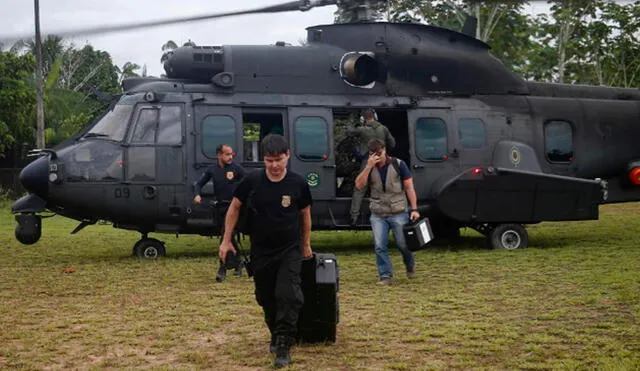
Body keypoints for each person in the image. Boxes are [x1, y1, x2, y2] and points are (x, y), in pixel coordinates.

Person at [219, 134, 313, 368]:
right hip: (261, 250)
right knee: (266, 297)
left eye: (278, 160)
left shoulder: (297, 183)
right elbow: (234, 209)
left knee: (289, 294)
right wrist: (226, 240)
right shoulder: (252, 181)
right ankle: (275, 332)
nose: (274, 165)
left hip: (289, 248)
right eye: (269, 160)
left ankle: (284, 342)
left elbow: (305, 215)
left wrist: (306, 243)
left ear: (287, 156)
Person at [354, 138, 420, 285]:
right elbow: (359, 185)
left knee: (403, 244)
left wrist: (414, 209)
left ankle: (409, 264)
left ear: (385, 150)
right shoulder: (369, 166)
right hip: (378, 213)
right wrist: (368, 167)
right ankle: (385, 275)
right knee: (379, 246)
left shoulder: (399, 164)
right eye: (374, 154)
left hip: (398, 211)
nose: (378, 156)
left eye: (380, 153)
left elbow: (409, 187)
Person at [193, 143, 245, 282]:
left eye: (231, 154)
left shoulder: (236, 169)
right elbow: (199, 184)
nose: (230, 157)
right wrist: (198, 195)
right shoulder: (212, 170)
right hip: (220, 208)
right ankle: (239, 262)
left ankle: (222, 268)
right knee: (229, 237)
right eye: (227, 154)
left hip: (233, 209)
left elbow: (247, 182)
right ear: (219, 155)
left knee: (225, 236)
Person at [348, 108, 396, 225]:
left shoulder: (362, 129)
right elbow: (392, 143)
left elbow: (349, 131)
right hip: (382, 160)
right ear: (375, 116)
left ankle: (354, 216)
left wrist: (351, 116)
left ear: (363, 118)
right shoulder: (383, 129)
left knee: (360, 188)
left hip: (368, 160)